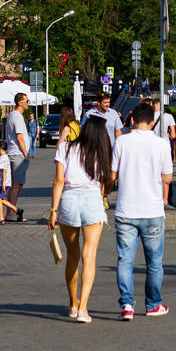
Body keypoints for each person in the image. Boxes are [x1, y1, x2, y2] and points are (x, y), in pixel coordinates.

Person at [47, 115, 112, 323]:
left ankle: (73, 303)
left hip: (68, 200)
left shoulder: (65, 148)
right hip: (92, 200)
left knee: (72, 254)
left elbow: (58, 181)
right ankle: (83, 308)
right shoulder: (101, 154)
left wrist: (53, 210)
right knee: (89, 254)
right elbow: (106, 181)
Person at [112, 101, 173, 319]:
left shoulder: (121, 142)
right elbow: (167, 177)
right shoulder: (162, 144)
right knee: (154, 262)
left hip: (126, 209)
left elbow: (112, 175)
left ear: (132, 120)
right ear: (153, 121)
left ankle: (127, 304)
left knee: (125, 260)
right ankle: (153, 304)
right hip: (153, 210)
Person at [3, 94, 30, 222]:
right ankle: (11, 213)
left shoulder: (12, 115)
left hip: (13, 152)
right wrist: (25, 152)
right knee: (17, 184)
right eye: (26, 101)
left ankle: (11, 212)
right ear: (20, 103)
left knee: (15, 184)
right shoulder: (17, 116)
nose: (28, 103)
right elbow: (19, 137)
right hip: (17, 153)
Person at [0, 149, 18, 224]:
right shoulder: (4, 157)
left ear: (0, 148)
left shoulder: (3, 158)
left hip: (3, 182)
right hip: (2, 182)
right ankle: (16, 210)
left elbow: (4, 171)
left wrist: (3, 184)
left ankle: (1, 218)